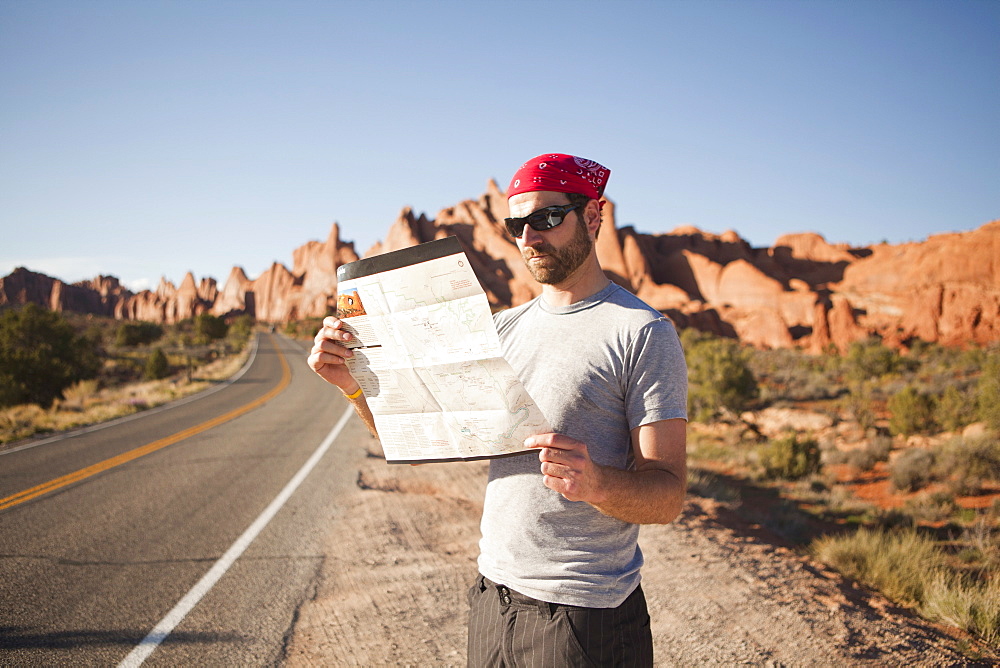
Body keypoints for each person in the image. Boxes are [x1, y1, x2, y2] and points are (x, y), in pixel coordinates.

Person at [308, 153, 688, 667]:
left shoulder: (642, 332)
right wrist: (353, 387)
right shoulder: (503, 330)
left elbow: (667, 496)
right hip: (494, 598)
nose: (530, 238)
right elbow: (423, 437)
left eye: (548, 219)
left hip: (584, 613)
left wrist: (596, 484)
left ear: (593, 217)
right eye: (517, 225)